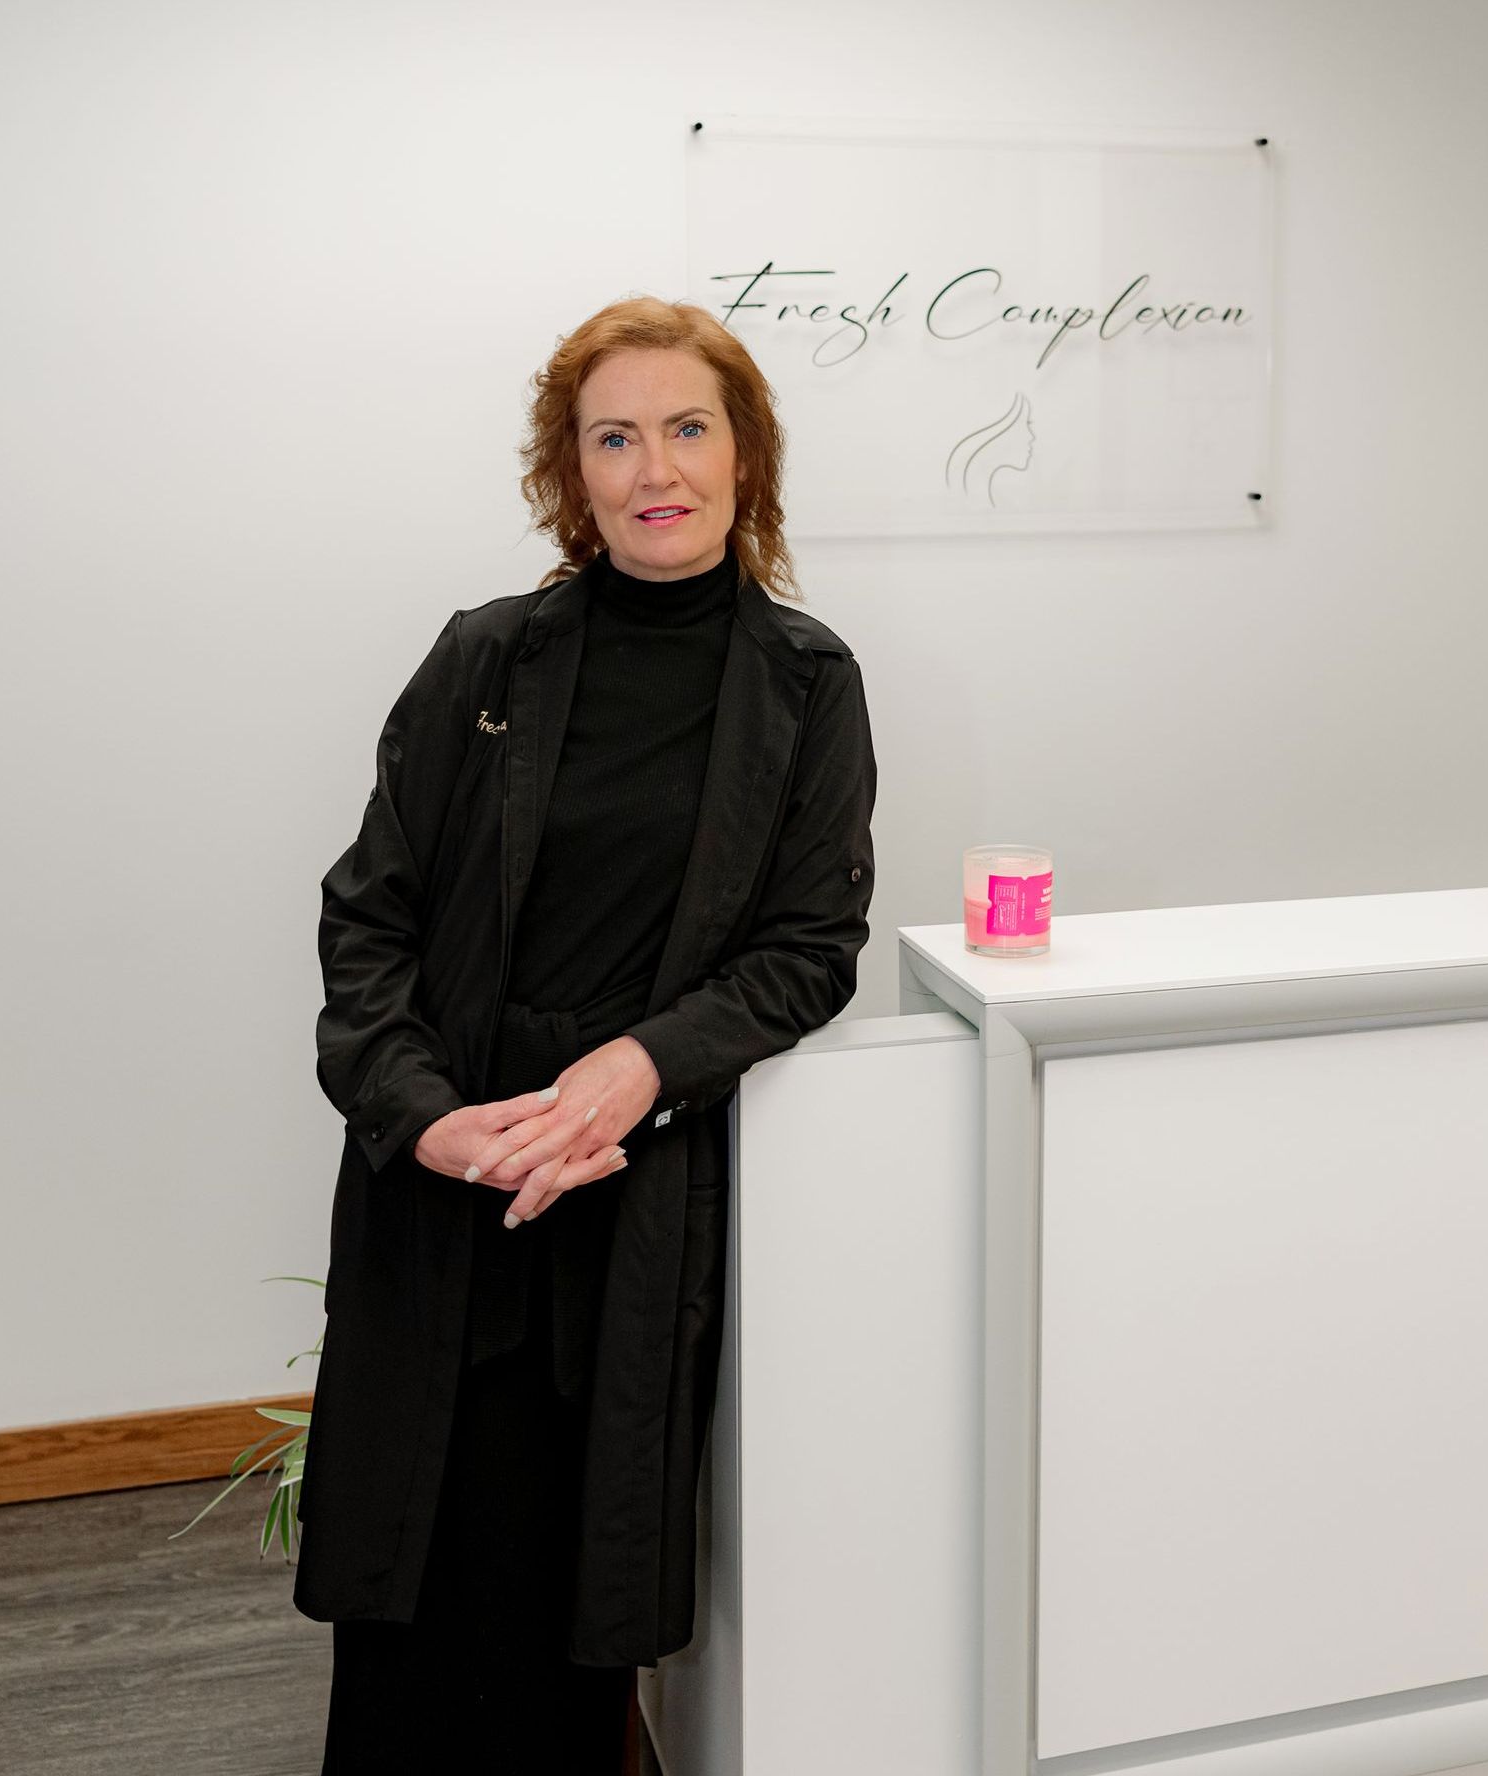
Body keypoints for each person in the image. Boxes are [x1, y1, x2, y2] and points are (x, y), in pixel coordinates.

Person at [293, 294, 879, 1769]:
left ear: (748, 458)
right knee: (416, 1599)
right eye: (613, 436)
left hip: (631, 1194)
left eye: (688, 427)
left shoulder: (807, 685)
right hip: (453, 1181)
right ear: (571, 470)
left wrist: (640, 1069)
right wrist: (425, 1114)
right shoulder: (485, 660)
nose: (652, 468)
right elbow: (370, 921)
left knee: (580, 1601)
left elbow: (809, 953)